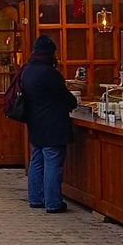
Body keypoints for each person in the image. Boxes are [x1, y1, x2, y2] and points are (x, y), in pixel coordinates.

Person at [22, 35, 77, 214]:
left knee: (37, 160)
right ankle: (53, 202)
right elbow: (65, 96)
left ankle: (35, 198)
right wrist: (73, 102)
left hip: (35, 122)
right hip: (53, 124)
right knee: (53, 162)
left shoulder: (28, 69)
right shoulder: (49, 73)